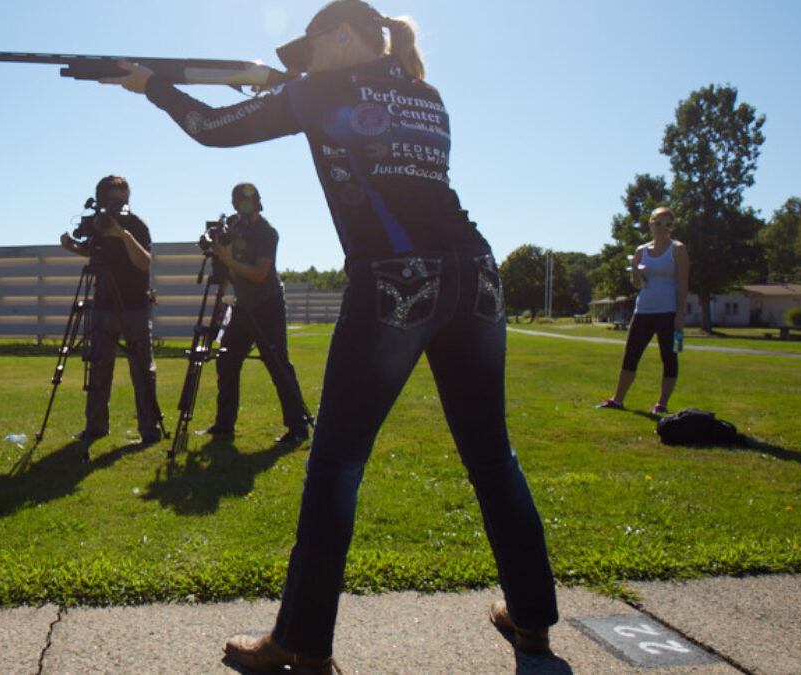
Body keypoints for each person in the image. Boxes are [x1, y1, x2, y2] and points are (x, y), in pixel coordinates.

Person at [99, 0, 558, 669]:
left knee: (338, 461)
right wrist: (283, 89)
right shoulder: (425, 93)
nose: (303, 63)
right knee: (493, 458)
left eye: (308, 49)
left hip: (399, 278)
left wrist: (154, 88)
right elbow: (347, 114)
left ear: (342, 36)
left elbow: (210, 129)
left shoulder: (319, 91)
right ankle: (533, 618)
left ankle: (301, 641)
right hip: (477, 276)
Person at [202, 182, 312, 444]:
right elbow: (229, 269)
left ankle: (297, 427)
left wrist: (227, 259)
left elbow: (260, 273)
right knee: (227, 361)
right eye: (240, 201)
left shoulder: (267, 232)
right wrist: (221, 296)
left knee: (277, 363)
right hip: (242, 305)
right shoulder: (232, 226)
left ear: (258, 202)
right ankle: (224, 424)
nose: (244, 207)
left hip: (268, 304)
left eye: (249, 201)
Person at [59, 175, 163, 445]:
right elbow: (96, 254)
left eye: (124, 199)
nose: (120, 205)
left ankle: (149, 430)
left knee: (142, 371)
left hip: (135, 307)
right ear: (101, 200)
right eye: (113, 199)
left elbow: (143, 262)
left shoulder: (136, 226)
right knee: (98, 368)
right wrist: (73, 247)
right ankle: (95, 427)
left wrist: (122, 234)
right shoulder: (97, 226)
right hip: (103, 305)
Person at [597, 206, 690, 415]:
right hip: (643, 311)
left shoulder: (678, 249)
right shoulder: (641, 251)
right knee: (631, 354)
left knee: (669, 356)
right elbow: (637, 285)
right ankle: (618, 399)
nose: (662, 228)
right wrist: (636, 272)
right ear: (650, 224)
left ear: (671, 227)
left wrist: (680, 314)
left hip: (668, 312)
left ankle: (662, 403)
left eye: (667, 224)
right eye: (658, 223)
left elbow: (683, 284)